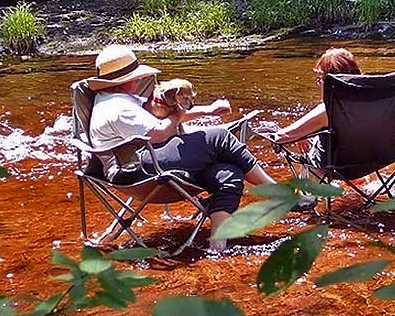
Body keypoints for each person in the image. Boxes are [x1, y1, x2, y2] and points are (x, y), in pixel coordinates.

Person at [87, 45, 314, 250]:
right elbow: (160, 132)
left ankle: (218, 243)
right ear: (124, 80)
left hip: (141, 161)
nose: (138, 81)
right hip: (138, 170)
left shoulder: (116, 99)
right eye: (135, 77)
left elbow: (159, 121)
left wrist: (207, 110)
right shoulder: (118, 107)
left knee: (228, 173)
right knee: (220, 138)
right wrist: (178, 111)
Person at [274, 47, 362, 167]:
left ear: (331, 82)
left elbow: (281, 137)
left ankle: (310, 185)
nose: (319, 83)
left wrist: (300, 134)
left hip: (336, 168)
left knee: (307, 156)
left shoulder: (328, 110)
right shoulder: (375, 101)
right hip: (372, 163)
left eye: (321, 78)